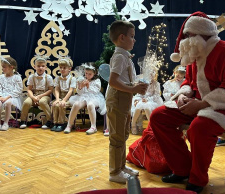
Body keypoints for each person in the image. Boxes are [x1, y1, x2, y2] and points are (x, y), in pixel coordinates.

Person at [149, 11, 225, 193]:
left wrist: (201, 104)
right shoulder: (195, 53)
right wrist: (182, 95)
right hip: (200, 104)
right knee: (159, 116)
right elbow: (188, 81)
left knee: (199, 127)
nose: (186, 40)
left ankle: (198, 179)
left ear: (203, 34)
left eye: (189, 35)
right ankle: (182, 168)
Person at [106, 20, 148, 183]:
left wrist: (135, 85)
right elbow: (113, 81)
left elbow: (123, 79)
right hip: (117, 98)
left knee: (122, 135)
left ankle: (121, 166)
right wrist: (133, 89)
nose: (134, 40)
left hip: (123, 98)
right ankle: (114, 172)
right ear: (122, 37)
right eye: (132, 36)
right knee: (117, 137)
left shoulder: (125, 56)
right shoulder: (119, 57)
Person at [64, 62, 106, 135]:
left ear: (94, 73)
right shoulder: (82, 79)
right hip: (83, 96)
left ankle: (93, 126)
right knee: (76, 104)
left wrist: (88, 86)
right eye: (86, 73)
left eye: (90, 74)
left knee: (90, 105)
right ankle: (69, 125)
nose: (87, 75)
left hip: (95, 97)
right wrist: (80, 87)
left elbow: (96, 91)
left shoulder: (97, 80)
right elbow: (80, 93)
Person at [19, 55, 54, 129]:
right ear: (34, 67)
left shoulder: (49, 77)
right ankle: (22, 120)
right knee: (26, 102)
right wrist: (33, 97)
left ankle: (49, 120)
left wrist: (39, 97)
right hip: (34, 94)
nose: (40, 68)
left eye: (42, 66)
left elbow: (50, 90)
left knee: (42, 102)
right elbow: (29, 89)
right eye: (38, 66)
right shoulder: (32, 77)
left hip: (45, 95)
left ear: (45, 67)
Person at [131, 69, 163, 135]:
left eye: (152, 75)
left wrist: (147, 99)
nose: (150, 76)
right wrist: (137, 100)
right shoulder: (143, 83)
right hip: (142, 100)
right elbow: (139, 94)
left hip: (153, 101)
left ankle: (151, 126)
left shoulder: (156, 84)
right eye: (149, 75)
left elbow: (156, 95)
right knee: (138, 105)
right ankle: (133, 124)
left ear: (155, 75)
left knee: (147, 107)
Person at [51, 57, 76, 132]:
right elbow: (57, 89)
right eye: (61, 67)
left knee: (62, 105)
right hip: (60, 96)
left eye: (64, 68)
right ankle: (55, 123)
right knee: (55, 104)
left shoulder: (72, 79)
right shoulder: (58, 78)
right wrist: (58, 99)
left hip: (69, 98)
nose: (62, 69)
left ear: (69, 69)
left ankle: (61, 123)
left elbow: (70, 91)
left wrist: (64, 100)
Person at [0, 57, 23, 131]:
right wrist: (0, 96)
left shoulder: (17, 77)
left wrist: (7, 97)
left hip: (12, 96)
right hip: (2, 96)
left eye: (4, 67)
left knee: (8, 103)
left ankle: (6, 123)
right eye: (2, 67)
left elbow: (18, 90)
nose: (2, 69)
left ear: (11, 67)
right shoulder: (0, 77)